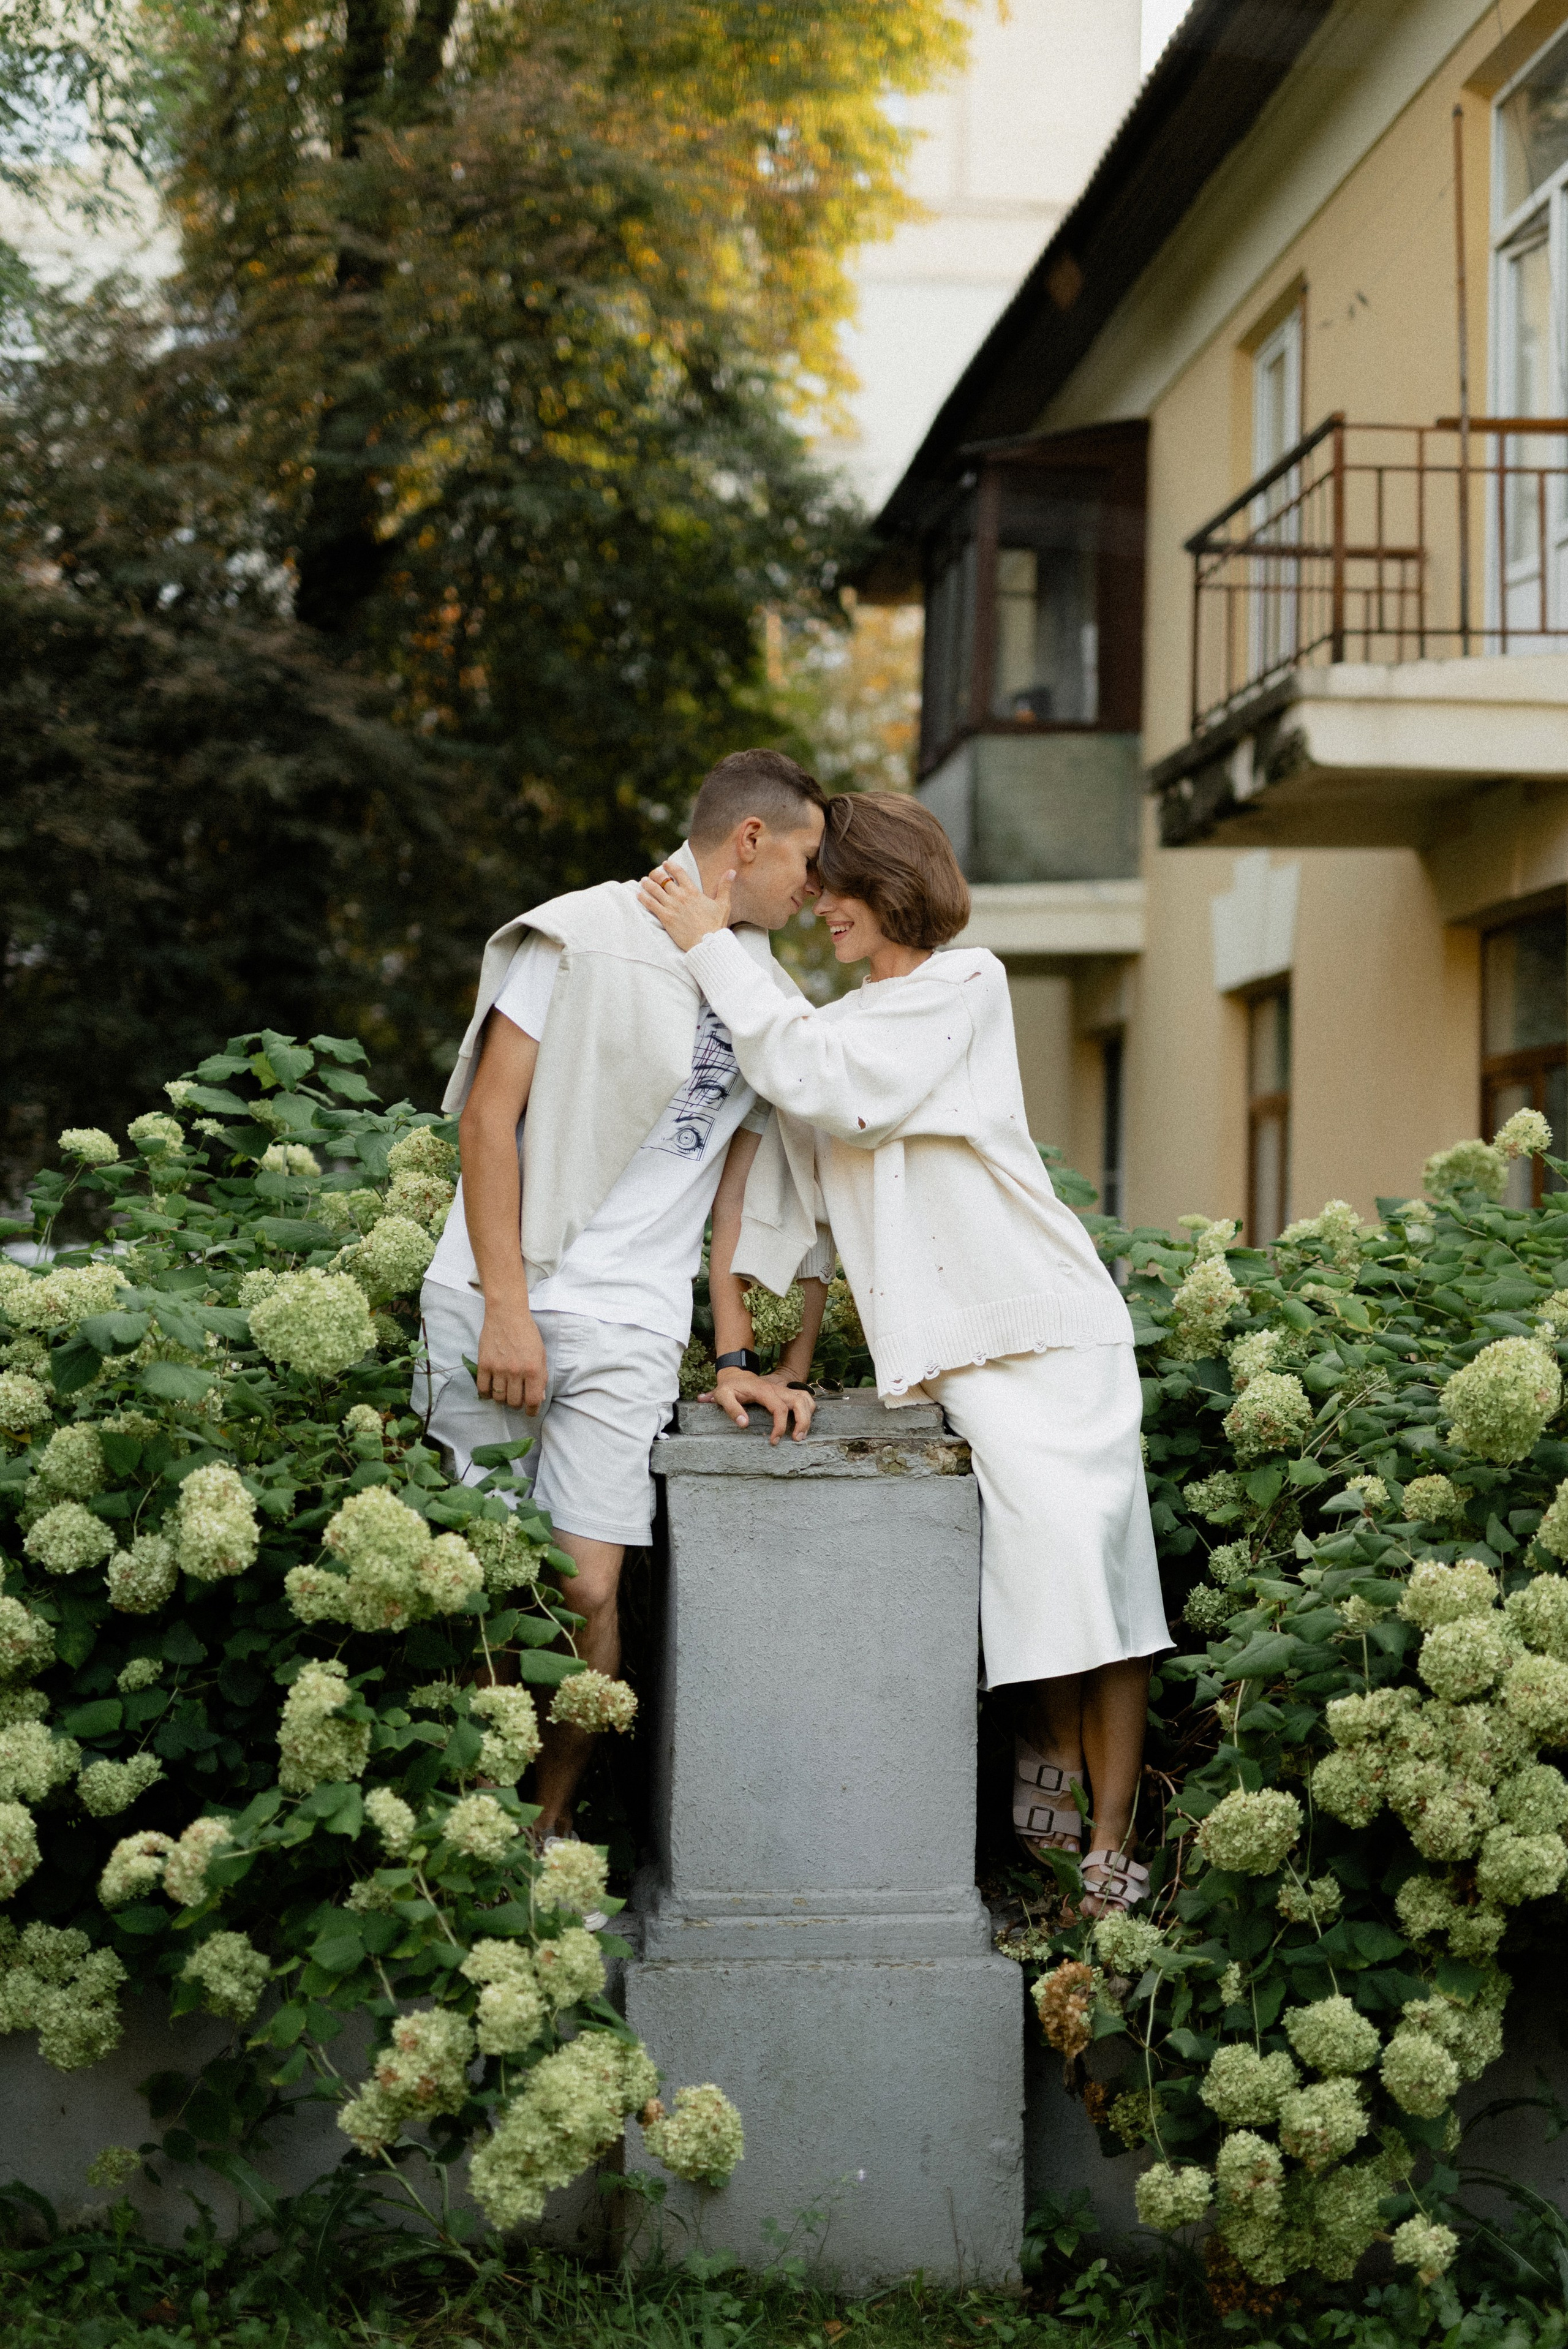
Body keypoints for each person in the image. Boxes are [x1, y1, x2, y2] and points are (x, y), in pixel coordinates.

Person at [639, 791, 1170, 1914]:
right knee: (1028, 1586)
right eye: (817, 883)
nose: (819, 904)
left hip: (1052, 1332)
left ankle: (1110, 1849)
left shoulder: (962, 988)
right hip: (957, 1362)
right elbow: (826, 1213)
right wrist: (789, 1360)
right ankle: (1055, 1783)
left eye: (837, 885)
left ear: (891, 886)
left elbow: (822, 1082)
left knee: (1102, 1583)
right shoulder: (850, 1025)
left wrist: (705, 945)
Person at [420, 748, 834, 1841]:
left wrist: (740, 1358)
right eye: (806, 857)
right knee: (492, 1594)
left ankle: (548, 1835)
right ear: (750, 841)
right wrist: (507, 1306)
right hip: (499, 1298)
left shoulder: (763, 994)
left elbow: (743, 1191)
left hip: (632, 1327)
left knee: (587, 1590)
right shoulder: (579, 931)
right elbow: (486, 1118)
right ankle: (476, 1844)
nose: (815, 886)